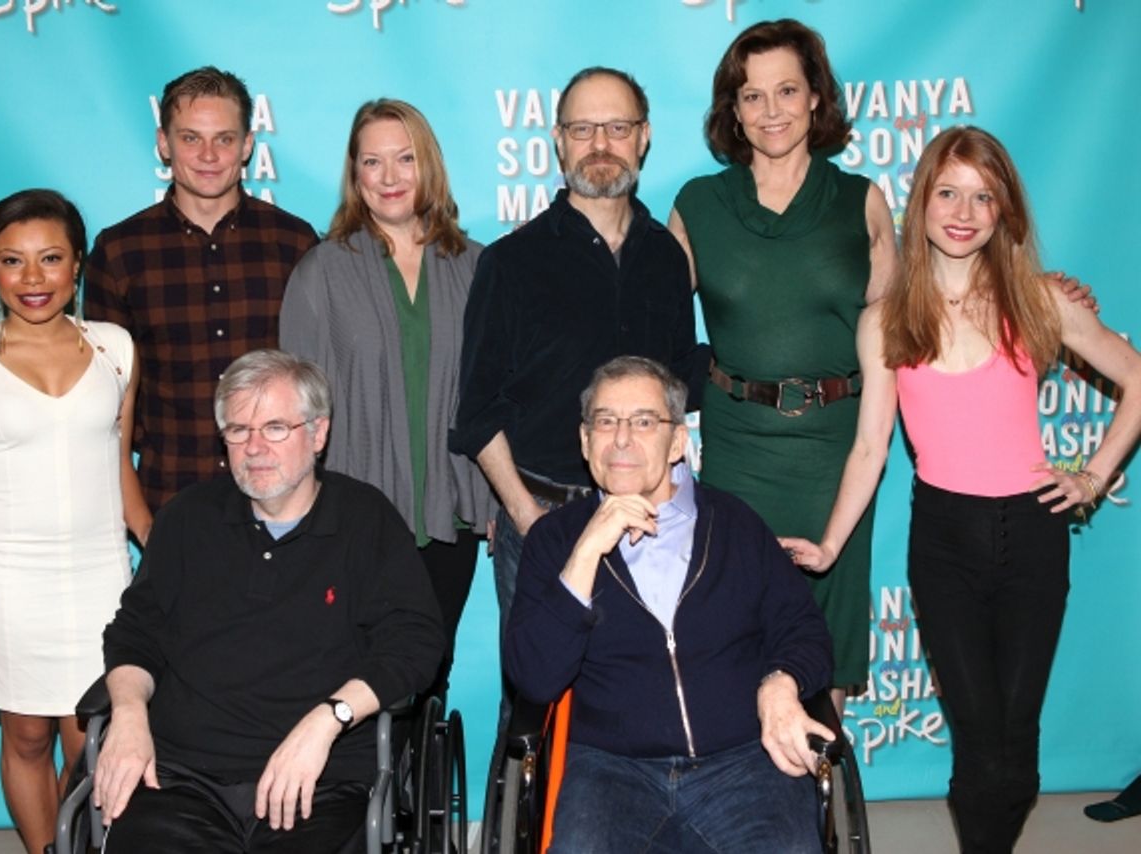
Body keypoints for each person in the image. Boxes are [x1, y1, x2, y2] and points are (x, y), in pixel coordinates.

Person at [779, 126, 1141, 852]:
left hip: (1034, 539)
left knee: (1017, 735)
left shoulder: (1040, 301)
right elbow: (870, 447)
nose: (964, 210)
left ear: (1004, 211)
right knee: (978, 736)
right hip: (943, 543)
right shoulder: (886, 319)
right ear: (922, 203)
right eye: (949, 191)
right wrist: (827, 544)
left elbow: (1135, 376)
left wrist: (1094, 477)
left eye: (984, 196)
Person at [92, 349, 444, 853]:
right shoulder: (188, 519)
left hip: (321, 779)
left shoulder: (366, 520)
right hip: (183, 776)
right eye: (238, 430)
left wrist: (328, 721)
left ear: (318, 434)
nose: (254, 447)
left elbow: (414, 644)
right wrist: (127, 715)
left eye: (275, 428)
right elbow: (135, 633)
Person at [505, 355, 832, 853]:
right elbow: (535, 676)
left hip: (742, 763)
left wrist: (781, 682)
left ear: (678, 441)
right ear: (584, 440)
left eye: (643, 421)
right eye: (605, 421)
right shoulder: (554, 542)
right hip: (612, 771)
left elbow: (804, 630)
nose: (621, 439)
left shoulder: (736, 525)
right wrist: (587, 550)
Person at [667, 19, 897, 710]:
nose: (771, 111)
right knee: (735, 635)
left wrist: (1044, 297)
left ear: (817, 99)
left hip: (836, 452)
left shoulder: (861, 201)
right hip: (737, 451)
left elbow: (909, 319)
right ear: (731, 110)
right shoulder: (698, 206)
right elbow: (643, 319)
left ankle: (821, 809)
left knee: (819, 655)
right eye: (752, 95)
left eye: (788, 91)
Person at [451, 66, 708, 647]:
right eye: (583, 128)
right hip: (545, 520)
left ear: (643, 137)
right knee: (534, 715)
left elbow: (677, 395)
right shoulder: (511, 263)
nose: (600, 146)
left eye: (617, 127)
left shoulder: (667, 258)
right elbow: (477, 411)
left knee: (638, 701)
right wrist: (526, 518)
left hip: (650, 523)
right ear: (558, 140)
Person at [0, 189, 150, 854]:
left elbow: (122, 471)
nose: (33, 279)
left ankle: (81, 846)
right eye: (12, 261)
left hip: (101, 577)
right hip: (7, 580)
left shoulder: (116, 349)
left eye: (50, 259)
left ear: (78, 264)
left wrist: (171, 558)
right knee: (27, 735)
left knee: (89, 740)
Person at [280, 99, 494, 698]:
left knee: (428, 679)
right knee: (359, 682)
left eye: (405, 159)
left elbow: (497, 395)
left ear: (429, 166)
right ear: (355, 174)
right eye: (373, 162)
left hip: (449, 518)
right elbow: (295, 408)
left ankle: (410, 796)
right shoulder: (321, 271)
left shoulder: (477, 267)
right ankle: (366, 795)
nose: (391, 177)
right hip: (356, 522)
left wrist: (496, 498)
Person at [84, 66, 319, 513]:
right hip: (168, 498)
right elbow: (104, 398)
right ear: (163, 143)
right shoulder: (119, 252)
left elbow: (319, 374)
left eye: (224, 139)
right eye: (191, 138)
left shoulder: (296, 244)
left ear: (248, 145)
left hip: (284, 498)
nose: (208, 154)